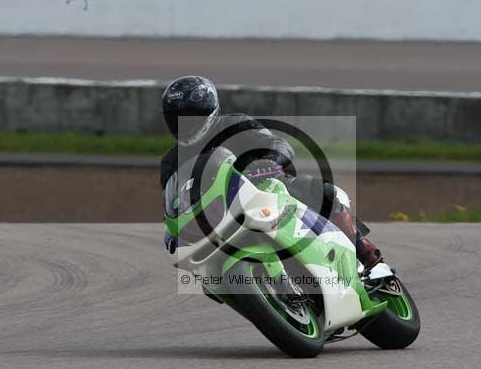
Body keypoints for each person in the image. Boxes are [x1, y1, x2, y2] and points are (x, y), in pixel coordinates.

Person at [159, 75, 382, 270]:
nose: (184, 124)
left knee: (317, 190)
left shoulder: (236, 124)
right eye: (176, 118)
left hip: (264, 187)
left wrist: (270, 160)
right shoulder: (171, 160)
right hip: (217, 214)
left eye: (190, 116)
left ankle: (362, 248)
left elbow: (276, 143)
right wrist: (174, 228)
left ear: (209, 111)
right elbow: (174, 200)